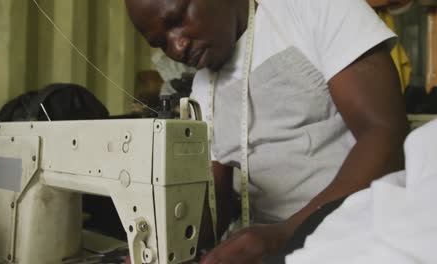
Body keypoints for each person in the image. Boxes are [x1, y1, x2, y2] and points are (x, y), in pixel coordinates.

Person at [124, 0, 409, 263]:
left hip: (360, 239)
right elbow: (215, 206)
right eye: (161, 43)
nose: (176, 47)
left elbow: (386, 135)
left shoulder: (313, 8)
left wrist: (284, 234)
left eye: (176, 20)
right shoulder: (202, 88)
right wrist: (160, 248)